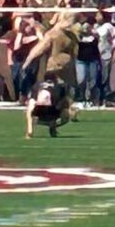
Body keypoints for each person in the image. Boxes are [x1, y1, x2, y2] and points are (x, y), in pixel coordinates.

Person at [22, 11, 80, 139]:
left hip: (67, 74)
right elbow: (39, 48)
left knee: (63, 107)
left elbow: (73, 56)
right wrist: (27, 61)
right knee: (52, 101)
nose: (72, 23)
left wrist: (73, 75)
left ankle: (51, 126)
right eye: (70, 20)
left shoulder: (72, 36)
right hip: (54, 73)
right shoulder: (53, 34)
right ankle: (38, 125)